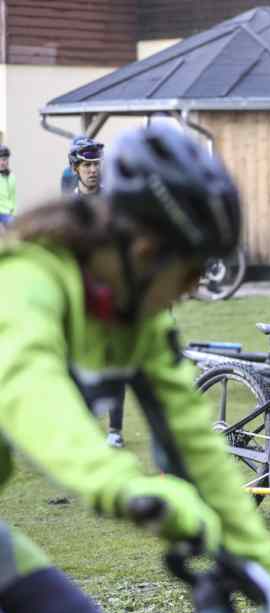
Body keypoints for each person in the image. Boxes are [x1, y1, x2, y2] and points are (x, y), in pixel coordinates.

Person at [0, 124, 270, 613]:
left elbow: (197, 446)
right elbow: (29, 392)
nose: (193, 290)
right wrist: (122, 485)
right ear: (146, 251)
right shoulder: (27, 279)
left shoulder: (138, 320)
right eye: (192, 271)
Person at [64, 135, 126, 446]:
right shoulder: (68, 207)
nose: (92, 170)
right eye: (86, 165)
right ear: (75, 168)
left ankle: (114, 430)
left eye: (96, 164)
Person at [0, 145, 15, 229]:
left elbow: (12, 197)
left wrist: (12, 211)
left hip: (6, 213)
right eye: (1, 159)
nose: (3, 162)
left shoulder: (11, 177)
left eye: (5, 159)